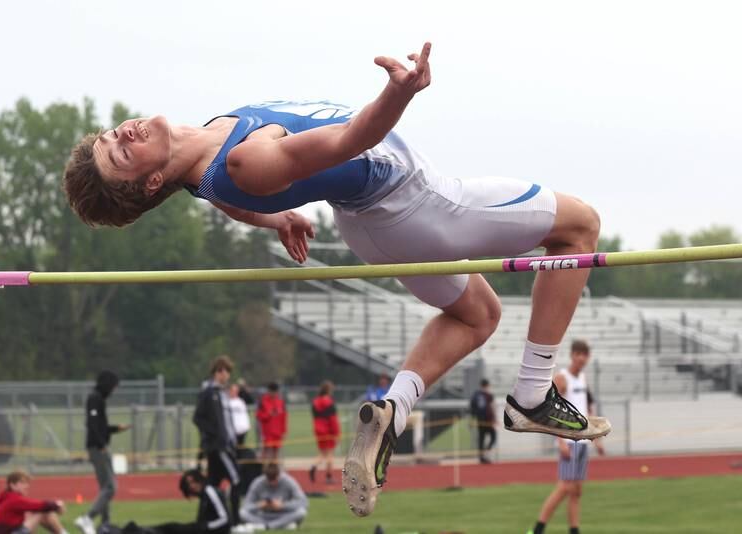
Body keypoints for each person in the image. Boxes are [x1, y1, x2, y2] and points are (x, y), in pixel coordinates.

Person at [62, 41, 610, 516]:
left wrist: (275, 216)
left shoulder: (204, 158)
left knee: (479, 314)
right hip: (419, 204)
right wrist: (403, 91)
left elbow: (220, 196)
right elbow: (346, 140)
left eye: (114, 135)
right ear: (152, 178)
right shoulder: (242, 162)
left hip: (371, 223)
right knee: (580, 226)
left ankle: (392, 411)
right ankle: (533, 394)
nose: (124, 134)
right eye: (123, 154)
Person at [527, 340, 606, 534]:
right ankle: (537, 529)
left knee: (577, 490)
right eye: (578, 353)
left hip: (583, 441)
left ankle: (574, 530)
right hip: (569, 442)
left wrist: (597, 438)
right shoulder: (562, 378)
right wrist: (560, 441)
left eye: (585, 354)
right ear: (572, 355)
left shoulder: (583, 378)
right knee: (564, 487)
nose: (581, 358)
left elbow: (586, 409)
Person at [75, 371, 130, 534]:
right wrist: (101, 444)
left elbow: (100, 425)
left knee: (105, 487)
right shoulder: (94, 398)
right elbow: (92, 424)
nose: (114, 390)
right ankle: (87, 518)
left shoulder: (99, 400)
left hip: (99, 445)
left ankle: (105, 524)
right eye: (113, 386)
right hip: (97, 447)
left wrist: (116, 428)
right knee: (111, 487)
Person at [193, 356, 241, 526]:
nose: (226, 375)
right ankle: (235, 521)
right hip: (218, 446)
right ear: (217, 372)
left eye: (228, 371)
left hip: (225, 444)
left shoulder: (223, 393)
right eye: (224, 371)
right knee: (236, 479)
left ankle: (201, 521)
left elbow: (226, 420)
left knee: (211, 484)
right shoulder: (208, 393)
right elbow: (198, 418)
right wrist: (215, 435)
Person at [0, 470, 68, 534]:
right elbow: (41, 505)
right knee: (41, 512)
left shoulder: (6, 497)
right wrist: (58, 504)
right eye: (22, 483)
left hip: (11, 530)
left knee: (32, 512)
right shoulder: (14, 499)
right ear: (12, 485)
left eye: (27, 483)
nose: (26, 486)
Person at [240, 463, 307, 531]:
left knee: (301, 512)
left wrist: (283, 505)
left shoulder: (289, 481)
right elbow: (246, 505)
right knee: (242, 513)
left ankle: (265, 526)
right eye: (269, 479)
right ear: (265, 475)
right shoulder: (257, 483)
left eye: (274, 479)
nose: (272, 483)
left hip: (283, 514)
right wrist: (259, 505)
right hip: (263, 515)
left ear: (279, 474)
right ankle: (282, 526)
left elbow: (303, 502)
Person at [309, 380, 341, 485]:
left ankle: (313, 465)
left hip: (318, 429)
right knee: (330, 454)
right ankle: (329, 476)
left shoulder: (315, 401)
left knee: (322, 453)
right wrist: (337, 433)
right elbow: (332, 419)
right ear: (329, 390)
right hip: (328, 430)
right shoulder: (328, 401)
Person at [255, 384, 287, 461]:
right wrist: (268, 414)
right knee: (265, 451)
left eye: (276, 392)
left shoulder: (281, 402)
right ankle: (262, 469)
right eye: (272, 392)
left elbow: (284, 417)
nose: (274, 394)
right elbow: (258, 415)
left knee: (276, 452)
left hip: (277, 432)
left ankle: (274, 470)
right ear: (269, 391)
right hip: (267, 432)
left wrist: (284, 431)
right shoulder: (262, 401)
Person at [469, 379, 497, 464]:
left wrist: (471, 420)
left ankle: (482, 457)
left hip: (480, 420)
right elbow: (492, 407)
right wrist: (494, 419)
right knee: (493, 437)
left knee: (481, 438)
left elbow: (472, 409)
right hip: (488, 420)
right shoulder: (488, 395)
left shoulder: (475, 395)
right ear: (487, 385)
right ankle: (486, 453)